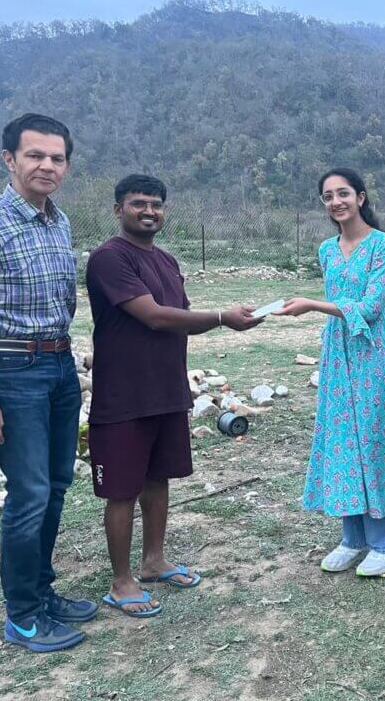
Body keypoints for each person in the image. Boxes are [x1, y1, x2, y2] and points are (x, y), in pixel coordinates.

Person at [85, 174, 262, 617]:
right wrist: (223, 315)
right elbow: (155, 317)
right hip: (123, 394)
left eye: (156, 204)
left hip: (166, 389)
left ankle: (153, 561)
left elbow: (180, 315)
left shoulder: (166, 260)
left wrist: (227, 316)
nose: (149, 211)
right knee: (121, 490)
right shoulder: (109, 258)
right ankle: (121, 580)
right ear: (117, 210)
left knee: (157, 477)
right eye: (138, 203)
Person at [0, 114, 94, 651]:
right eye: (35, 155)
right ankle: (23, 615)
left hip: (57, 368)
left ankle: (42, 590)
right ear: (9, 159)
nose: (47, 166)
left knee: (56, 485)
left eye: (57, 158)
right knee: (29, 492)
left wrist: (71, 365)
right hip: (10, 373)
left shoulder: (58, 221)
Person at [277, 168, 385, 576]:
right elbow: (340, 303)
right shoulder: (327, 249)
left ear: (360, 196)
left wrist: (313, 305)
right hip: (337, 355)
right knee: (342, 438)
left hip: (372, 353)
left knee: (375, 436)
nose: (336, 202)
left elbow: (372, 307)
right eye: (327, 196)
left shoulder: (383, 245)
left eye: (343, 193)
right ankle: (352, 538)